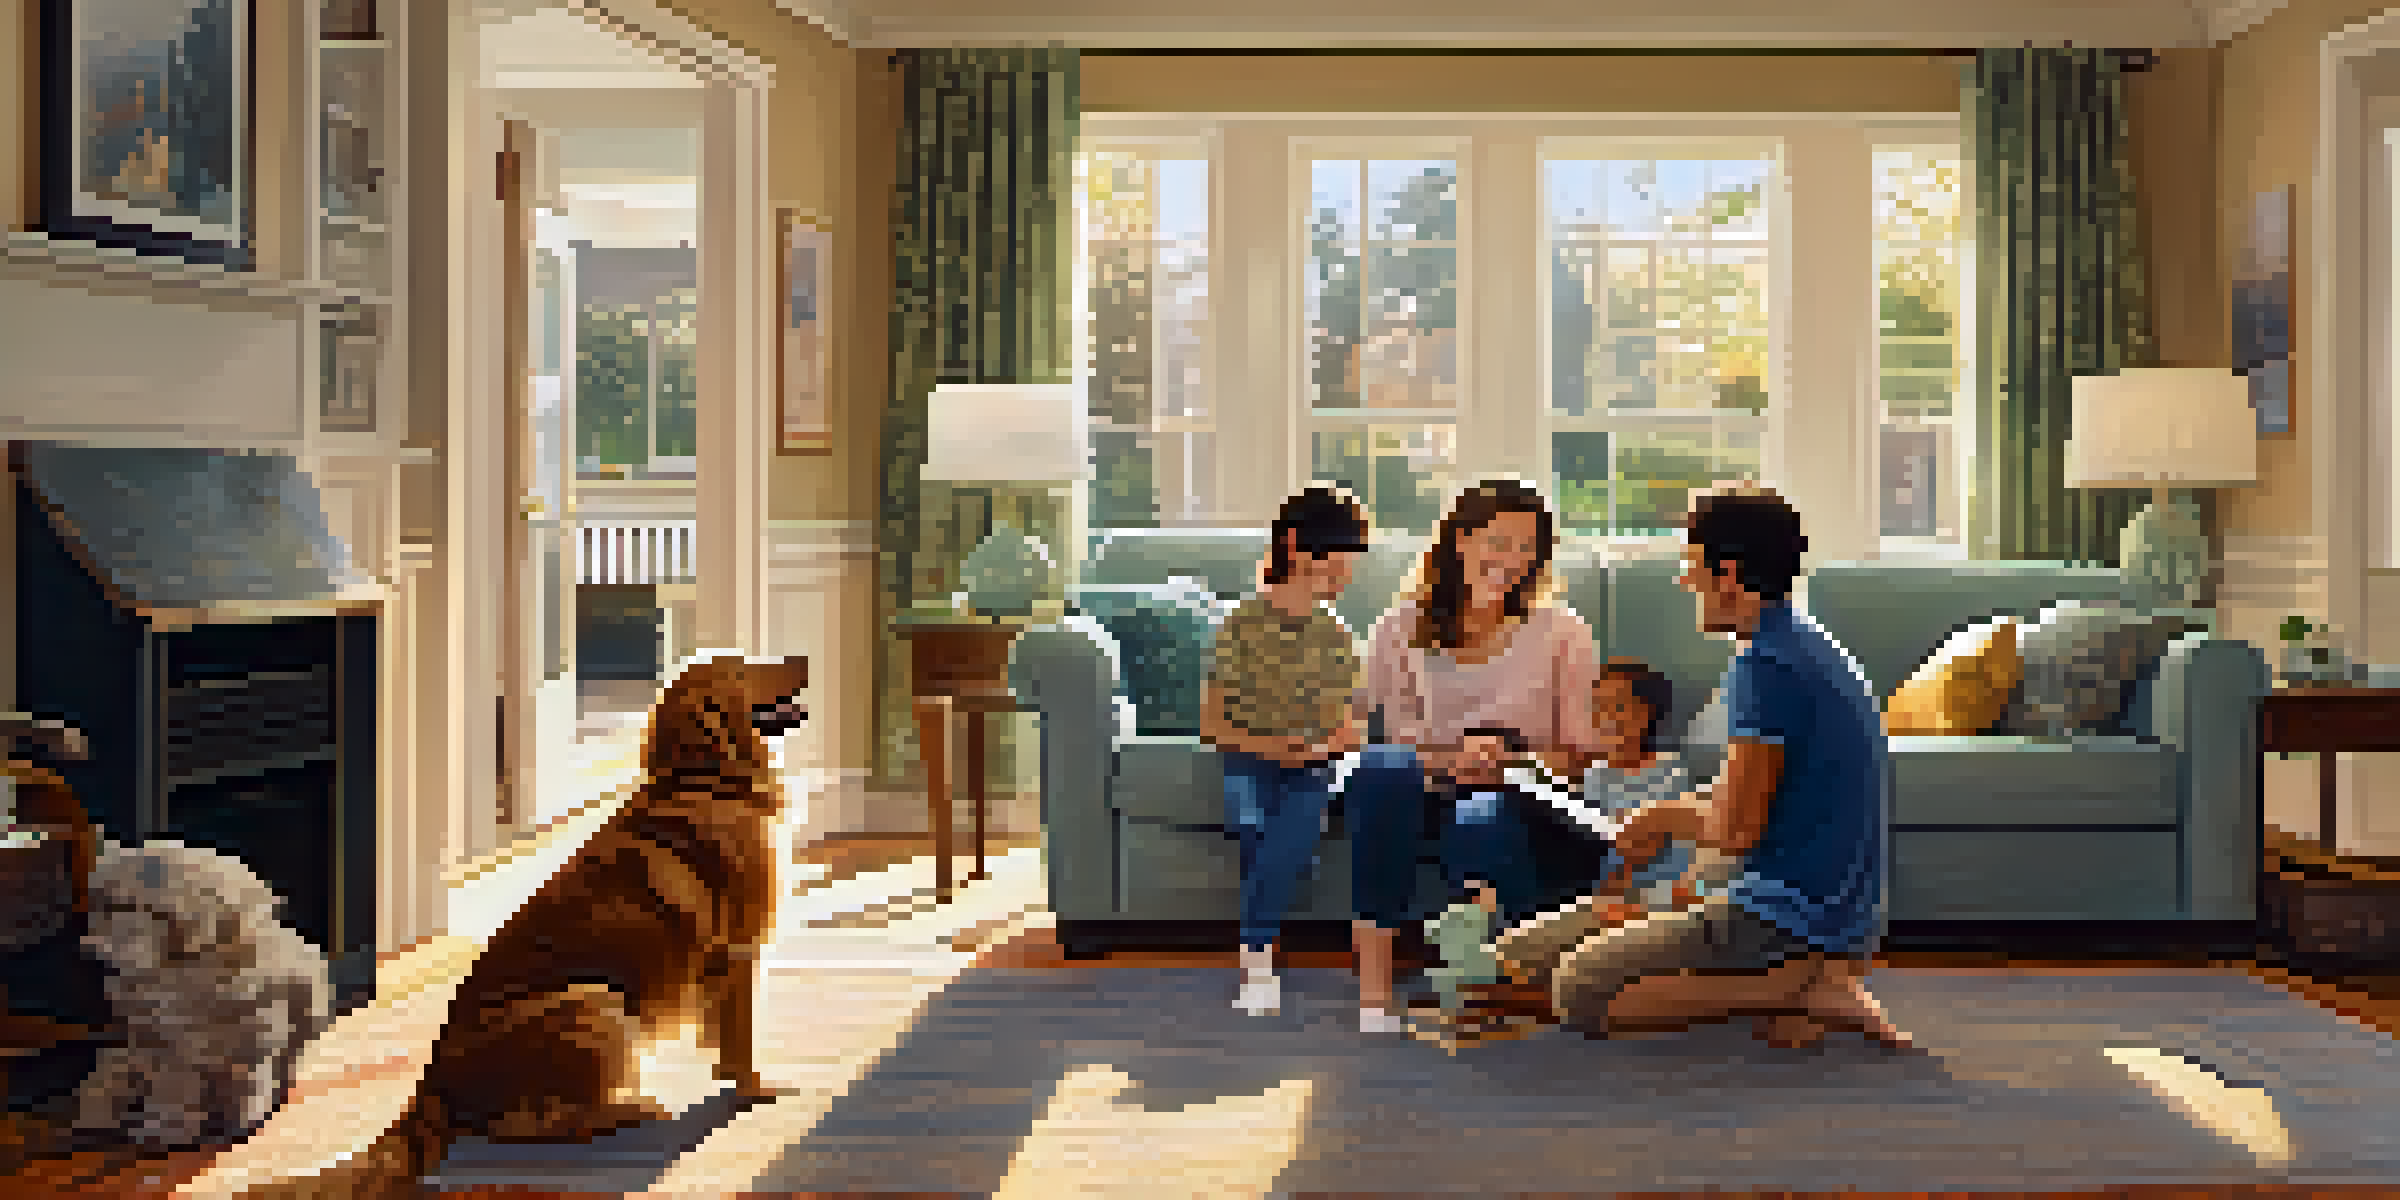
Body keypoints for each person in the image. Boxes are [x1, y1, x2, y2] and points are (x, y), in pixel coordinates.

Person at [1487, 484, 1910, 1050]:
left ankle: (1796, 989)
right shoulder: (1797, 643)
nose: (1685, 580)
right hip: (1803, 908)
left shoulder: (1769, 666)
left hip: (1786, 918)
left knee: (1578, 989)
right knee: (1517, 957)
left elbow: (1736, 833)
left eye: (1692, 565)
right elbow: (1754, 804)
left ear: (1729, 574)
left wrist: (1667, 820)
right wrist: (1670, 833)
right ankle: (1795, 979)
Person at [1347, 479, 1604, 1034]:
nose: (1511, 559)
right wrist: (1450, 761)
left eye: (1526, 547)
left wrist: (1509, 762)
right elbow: (1397, 742)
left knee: (1480, 817)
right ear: (1460, 541)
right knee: (1379, 769)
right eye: (1498, 541)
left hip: (1516, 797)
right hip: (1423, 791)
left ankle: (1497, 979)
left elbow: (1580, 756)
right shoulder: (1399, 629)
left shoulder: (1564, 633)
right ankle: (1375, 984)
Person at [1200, 485, 1371, 1017]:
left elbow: (1353, 733)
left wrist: (1313, 750)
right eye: (1344, 552)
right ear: (1297, 546)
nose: (1350, 569)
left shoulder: (1340, 637)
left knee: (1296, 815)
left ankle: (1257, 959)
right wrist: (1270, 746)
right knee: (1251, 823)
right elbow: (1211, 726)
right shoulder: (1239, 625)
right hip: (1250, 759)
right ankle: (1295, 864)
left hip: (1315, 767)